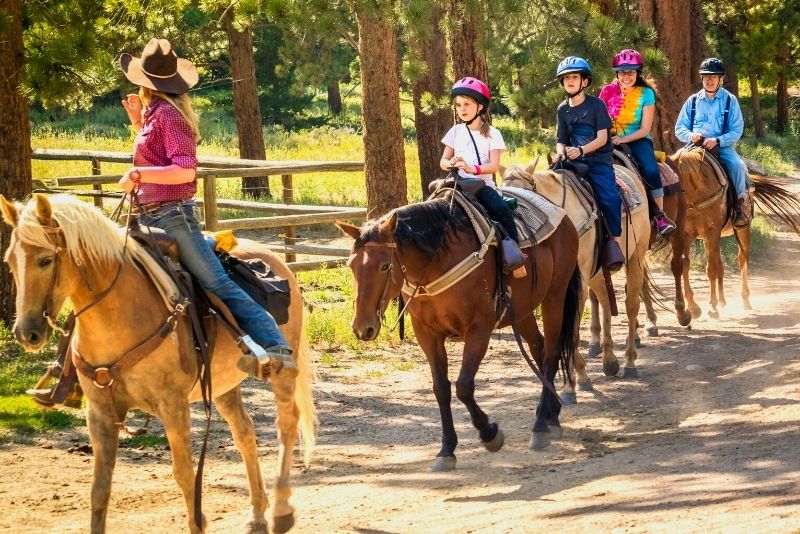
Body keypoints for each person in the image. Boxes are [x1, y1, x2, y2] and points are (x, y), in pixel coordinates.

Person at [27, 38, 294, 409]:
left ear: (145, 81)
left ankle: (277, 347)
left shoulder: (169, 117)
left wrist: (138, 173)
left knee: (215, 281)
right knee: (97, 279)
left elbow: (184, 170)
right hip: (147, 216)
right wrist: (138, 127)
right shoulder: (156, 115)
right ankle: (68, 375)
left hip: (173, 218)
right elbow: (161, 158)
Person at [439, 76, 524, 272]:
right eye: (458, 105)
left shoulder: (493, 133)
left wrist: (472, 169)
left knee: (501, 210)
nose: (462, 109)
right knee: (431, 208)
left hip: (481, 186)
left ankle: (515, 255)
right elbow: (443, 161)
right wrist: (450, 163)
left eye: (467, 104)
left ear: (480, 107)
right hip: (456, 183)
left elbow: (494, 166)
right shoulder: (454, 131)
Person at [553, 56, 624, 271]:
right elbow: (560, 140)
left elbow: (603, 138)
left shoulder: (596, 105)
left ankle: (615, 243)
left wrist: (582, 150)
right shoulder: (562, 109)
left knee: (610, 197)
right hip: (572, 160)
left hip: (597, 160)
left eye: (574, 77)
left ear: (585, 81)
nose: (570, 82)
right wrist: (561, 152)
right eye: (566, 79)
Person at [598, 49, 676, 237]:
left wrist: (623, 139)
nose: (627, 77)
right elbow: (598, 119)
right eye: (623, 72)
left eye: (631, 72)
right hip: (607, 140)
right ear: (616, 73)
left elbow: (645, 128)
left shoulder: (646, 93)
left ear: (637, 73)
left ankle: (660, 217)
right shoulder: (607, 91)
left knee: (650, 169)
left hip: (637, 139)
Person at [675, 57, 750, 228]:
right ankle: (670, 209)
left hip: (720, 146)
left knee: (736, 165)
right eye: (706, 76)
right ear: (702, 78)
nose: (710, 80)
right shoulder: (692, 101)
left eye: (714, 77)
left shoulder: (730, 100)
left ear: (720, 79)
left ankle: (739, 206)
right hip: (694, 147)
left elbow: (737, 130)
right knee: (673, 164)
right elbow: (679, 128)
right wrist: (691, 136)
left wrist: (718, 140)